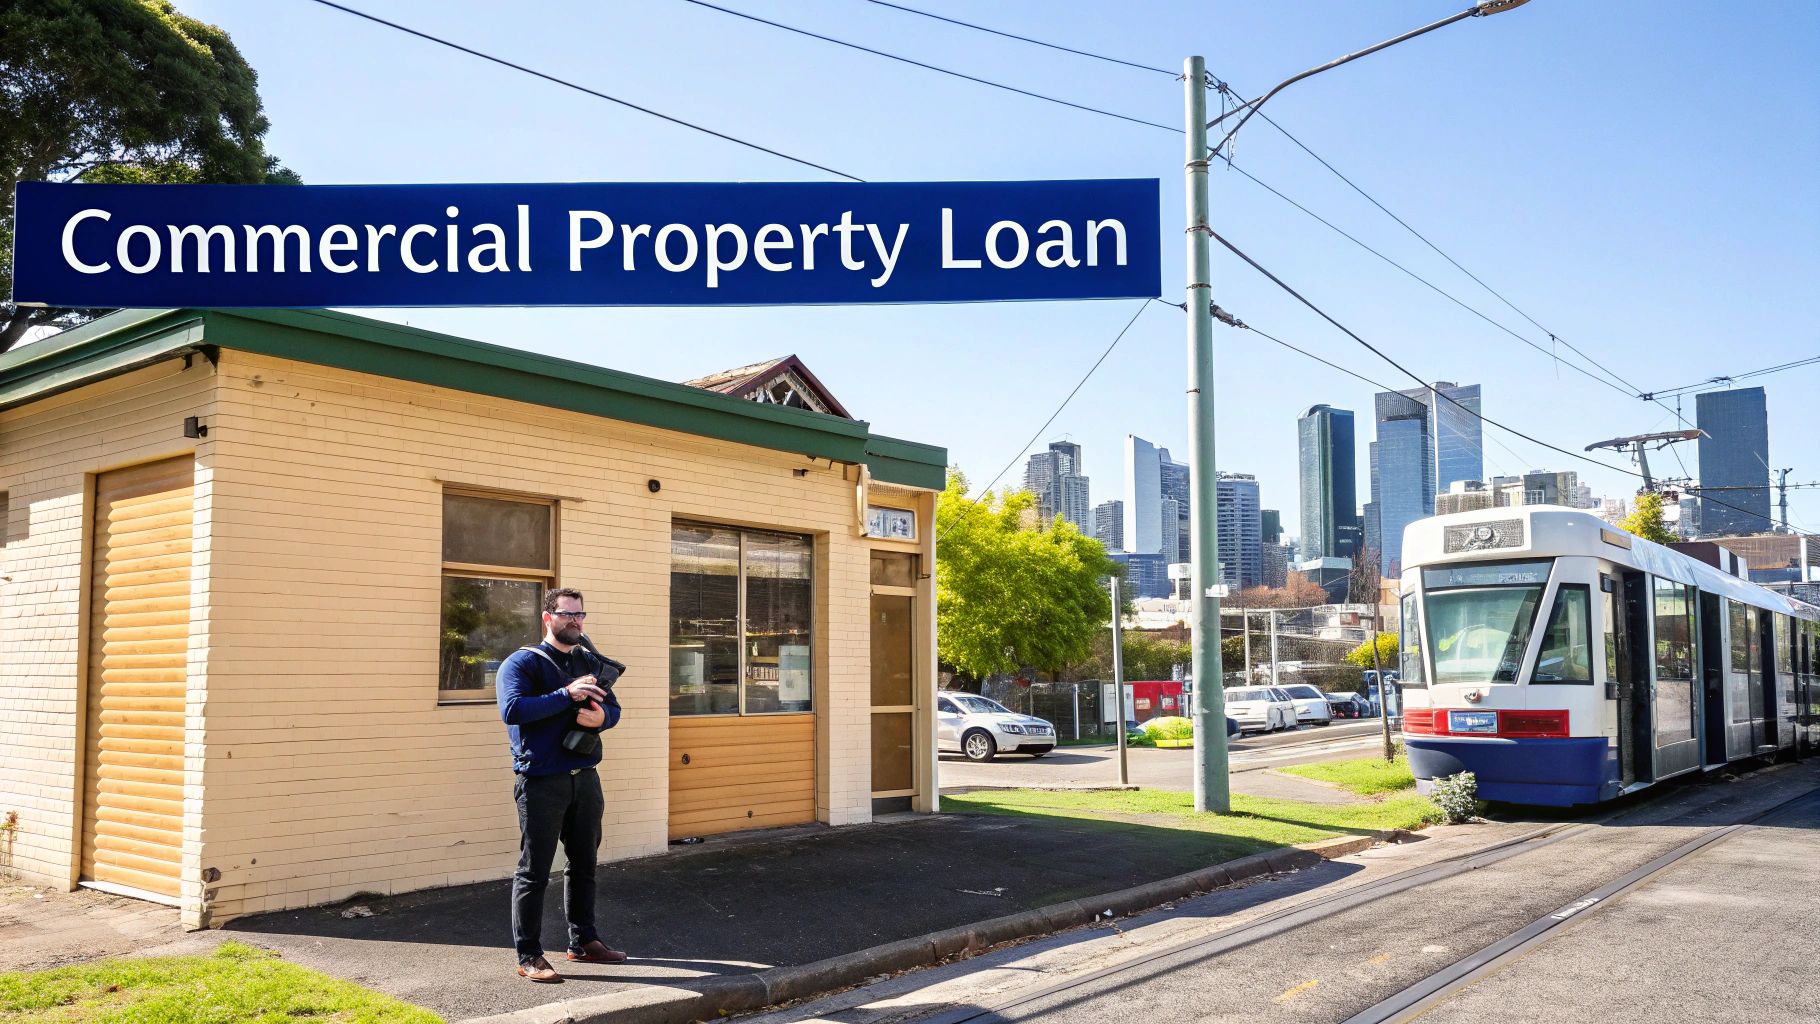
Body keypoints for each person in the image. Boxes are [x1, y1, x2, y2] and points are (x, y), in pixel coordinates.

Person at [497, 587, 626, 982]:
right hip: (540, 781)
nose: (575, 621)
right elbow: (513, 709)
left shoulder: (589, 661)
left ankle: (583, 942)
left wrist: (600, 718)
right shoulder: (522, 663)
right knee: (534, 871)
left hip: (585, 779)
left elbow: (615, 710)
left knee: (584, 863)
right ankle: (529, 956)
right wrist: (565, 694)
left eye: (580, 615)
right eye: (567, 614)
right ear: (547, 618)